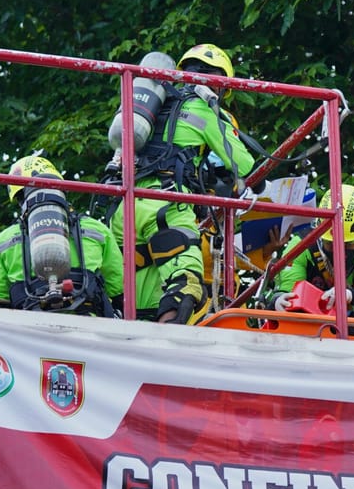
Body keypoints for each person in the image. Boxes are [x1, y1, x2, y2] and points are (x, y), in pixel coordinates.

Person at [108, 44, 256, 323]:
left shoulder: (151, 108)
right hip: (167, 204)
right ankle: (165, 358)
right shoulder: (204, 108)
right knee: (183, 289)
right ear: (221, 83)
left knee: (135, 296)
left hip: (123, 207)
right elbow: (245, 164)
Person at [0, 155, 123, 316]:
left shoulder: (3, 241)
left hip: (30, 330)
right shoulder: (97, 229)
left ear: (19, 199)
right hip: (89, 325)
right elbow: (120, 288)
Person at [270, 184, 354, 315]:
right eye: (330, 244)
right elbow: (286, 290)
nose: (339, 252)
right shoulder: (302, 246)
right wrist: (278, 299)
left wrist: (351, 295)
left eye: (347, 244)